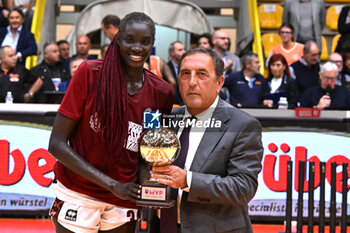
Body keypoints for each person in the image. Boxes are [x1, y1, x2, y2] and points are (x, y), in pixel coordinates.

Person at [48, 12, 174, 233]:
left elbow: (146, 154)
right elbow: (56, 144)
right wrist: (113, 185)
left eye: (145, 42)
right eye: (130, 40)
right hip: (79, 190)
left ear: (152, 44)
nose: (137, 48)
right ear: (117, 40)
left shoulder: (161, 92)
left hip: (125, 196)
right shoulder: (89, 74)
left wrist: (151, 191)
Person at [151, 47, 263, 233]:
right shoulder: (167, 119)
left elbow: (243, 188)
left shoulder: (242, 125)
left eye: (201, 74)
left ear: (219, 83)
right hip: (162, 226)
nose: (192, 82)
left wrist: (188, 180)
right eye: (185, 74)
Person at [168, 40, 186, 105]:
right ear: (172, 53)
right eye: (180, 50)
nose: (184, 52)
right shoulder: (167, 68)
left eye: (184, 49)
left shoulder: (188, 67)